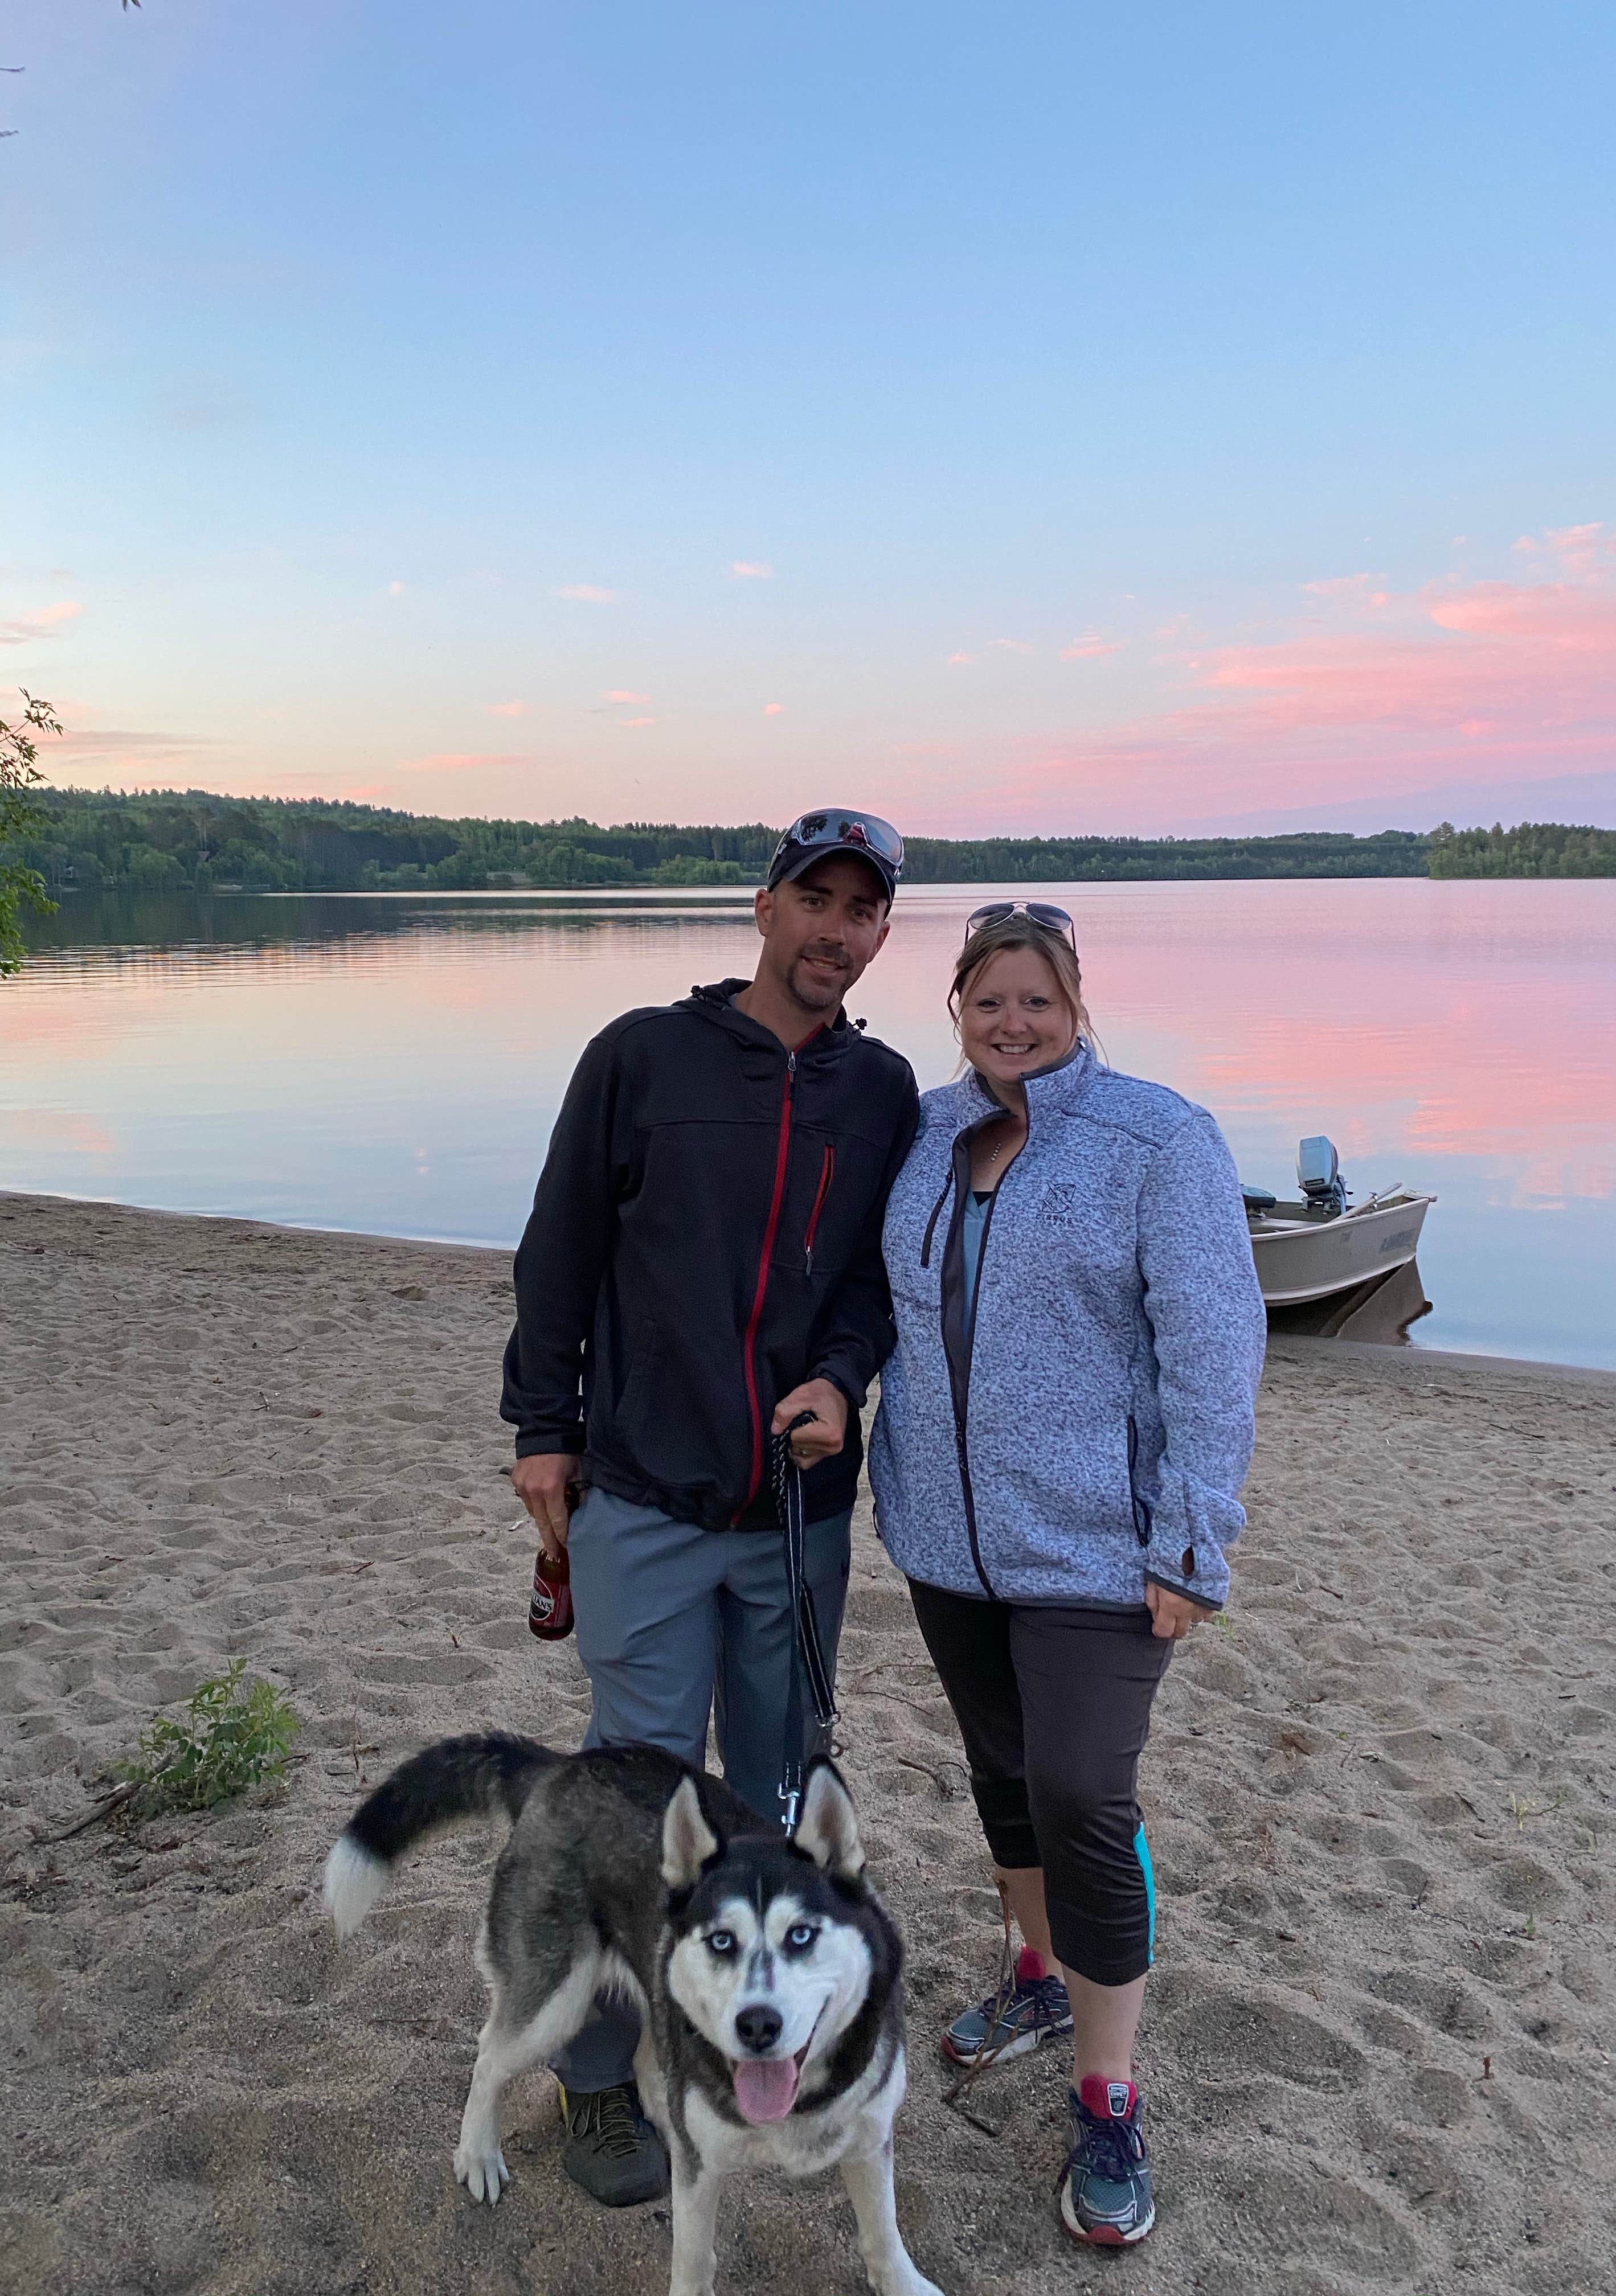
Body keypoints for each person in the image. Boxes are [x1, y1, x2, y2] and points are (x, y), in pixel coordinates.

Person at [502, 809, 920, 2207]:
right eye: (818, 898)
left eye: (864, 912)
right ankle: (603, 2079)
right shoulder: (642, 1056)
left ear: (879, 937)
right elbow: (558, 1250)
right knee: (635, 1793)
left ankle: (765, 2050)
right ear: (765, 905)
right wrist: (542, 1431)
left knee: (778, 1796)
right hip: (646, 1500)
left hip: (797, 1517)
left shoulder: (885, 1093)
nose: (837, 931)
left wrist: (844, 1379)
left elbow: (876, 1281)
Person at [867, 902, 1265, 2247]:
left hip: (1101, 1543)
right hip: (946, 1536)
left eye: (1037, 1001)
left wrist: (1192, 1541)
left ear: (1078, 1006)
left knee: (1083, 1789)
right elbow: (888, 1313)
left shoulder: (1157, 1139)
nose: (1012, 1024)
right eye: (989, 1002)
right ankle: (1034, 1975)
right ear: (958, 1011)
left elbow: (1212, 1345)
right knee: (999, 1769)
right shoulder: (921, 1135)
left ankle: (1107, 2092)